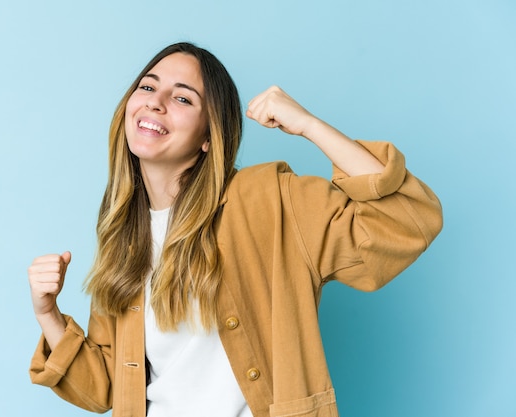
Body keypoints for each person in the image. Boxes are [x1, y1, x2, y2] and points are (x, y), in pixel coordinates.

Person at [28, 42, 442, 417]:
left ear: (209, 136)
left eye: (183, 98)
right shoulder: (122, 239)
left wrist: (309, 125)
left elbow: (406, 219)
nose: (156, 103)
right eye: (148, 88)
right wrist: (47, 313)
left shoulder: (267, 200)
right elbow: (108, 388)